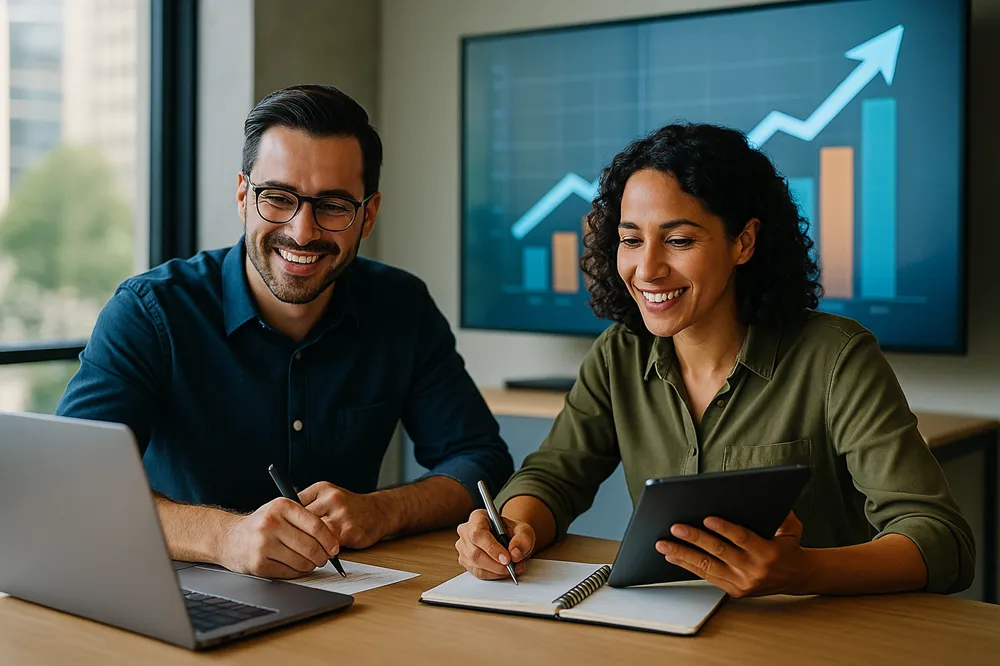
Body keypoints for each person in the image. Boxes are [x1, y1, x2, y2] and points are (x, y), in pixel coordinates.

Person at [454, 123, 975, 597]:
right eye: (631, 240)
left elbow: (942, 539)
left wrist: (805, 571)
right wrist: (512, 528)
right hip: (664, 632)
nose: (647, 269)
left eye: (679, 240)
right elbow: (554, 477)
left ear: (743, 242)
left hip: (808, 633)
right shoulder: (619, 353)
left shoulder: (837, 357)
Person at [57, 84, 513, 579]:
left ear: (368, 215)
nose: (302, 232)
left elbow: (480, 459)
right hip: (182, 591)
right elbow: (72, 481)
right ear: (243, 196)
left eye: (333, 206)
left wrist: (384, 510)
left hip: (353, 595)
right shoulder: (150, 311)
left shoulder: (402, 306)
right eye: (277, 198)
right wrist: (224, 537)